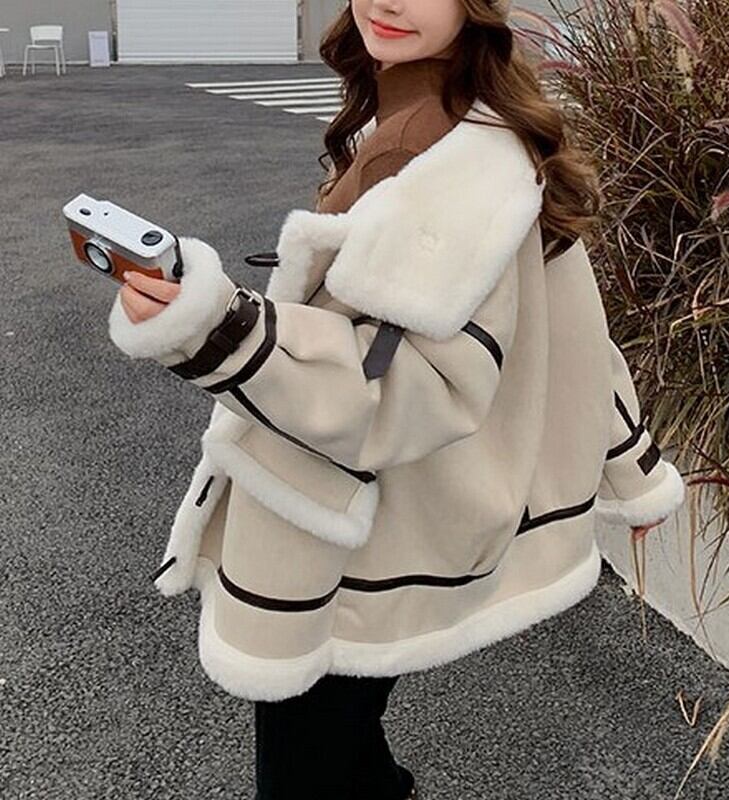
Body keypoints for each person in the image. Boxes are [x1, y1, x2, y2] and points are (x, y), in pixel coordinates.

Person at [107, 1, 686, 798]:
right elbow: (571, 322)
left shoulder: (434, 152)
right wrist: (632, 469)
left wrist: (211, 327)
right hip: (384, 512)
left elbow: (394, 392)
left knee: (307, 764)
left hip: (355, 528)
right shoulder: (479, 120)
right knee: (339, 740)